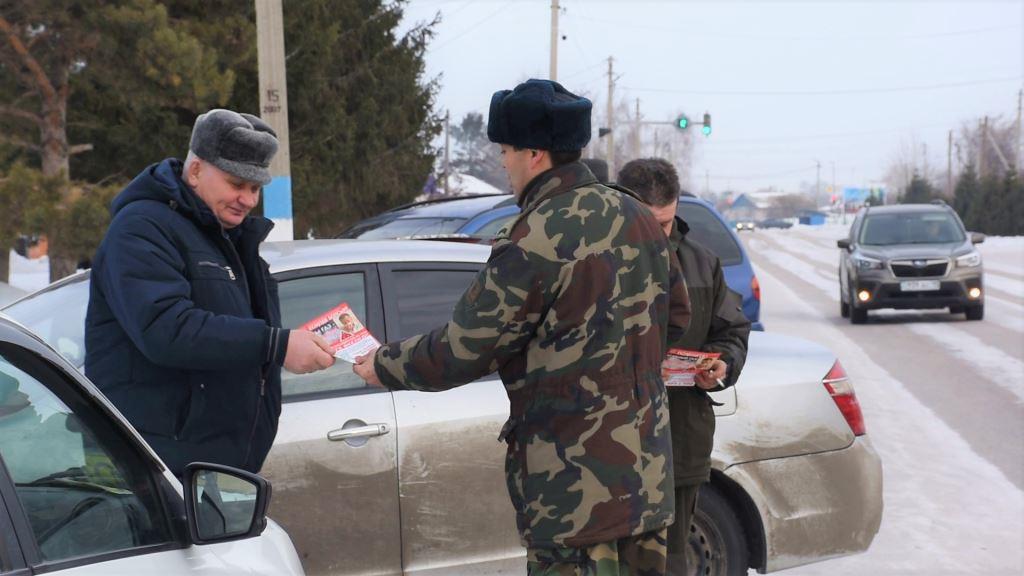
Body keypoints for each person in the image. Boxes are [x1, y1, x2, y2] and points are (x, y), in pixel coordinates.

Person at [354, 79, 691, 575]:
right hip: (647, 482)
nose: (503, 163)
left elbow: (465, 349)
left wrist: (382, 364)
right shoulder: (637, 214)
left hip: (575, 496)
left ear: (535, 154)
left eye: (506, 151)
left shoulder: (535, 236)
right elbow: (677, 318)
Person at [85, 109, 335, 477]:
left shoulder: (229, 239)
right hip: (149, 468)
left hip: (214, 467)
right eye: (237, 184)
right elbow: (166, 328)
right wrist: (277, 346)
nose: (248, 200)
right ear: (197, 170)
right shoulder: (141, 228)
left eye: (255, 189)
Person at [617, 158, 750, 575]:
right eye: (650, 224)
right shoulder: (596, 263)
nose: (661, 234)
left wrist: (721, 365)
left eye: (668, 222)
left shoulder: (701, 263)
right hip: (609, 445)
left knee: (671, 562)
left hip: (679, 440)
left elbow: (731, 330)